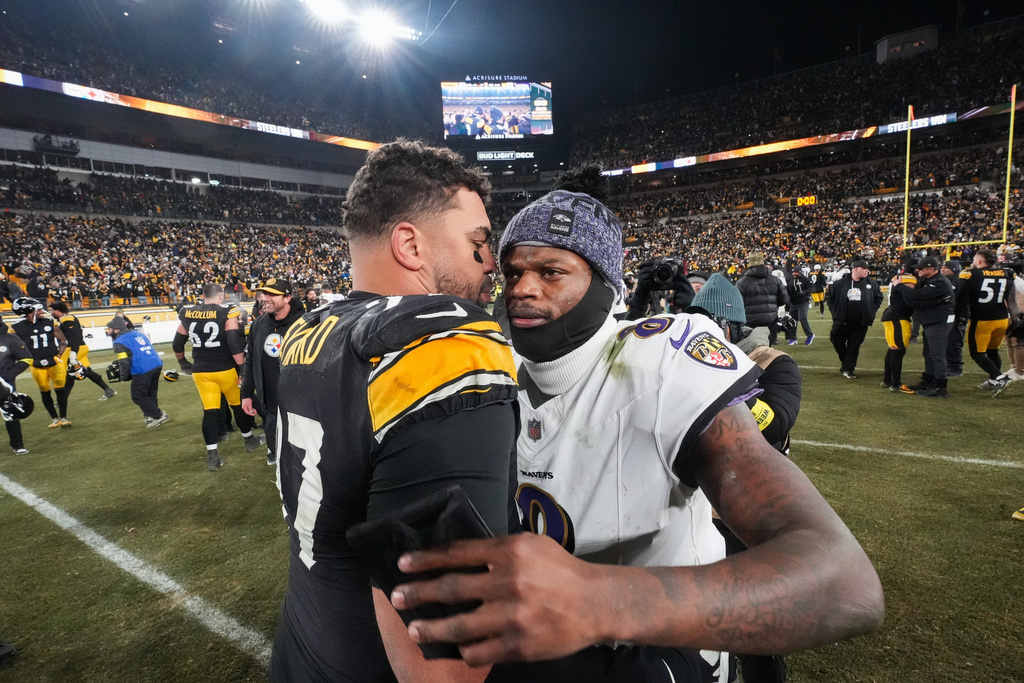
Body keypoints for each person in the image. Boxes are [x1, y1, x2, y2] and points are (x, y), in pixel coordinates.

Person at [387, 190, 883, 676]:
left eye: (551, 272)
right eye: (513, 272)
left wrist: (596, 599)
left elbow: (843, 581)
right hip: (548, 653)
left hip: (662, 651)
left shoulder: (660, 360)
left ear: (605, 284)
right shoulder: (493, 365)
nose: (522, 289)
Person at [268, 139, 520, 683]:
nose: (491, 263)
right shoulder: (443, 345)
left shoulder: (310, 330)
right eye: (478, 242)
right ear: (410, 244)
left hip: (304, 644)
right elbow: (446, 669)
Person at [688, 273, 803, 683]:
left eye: (708, 323)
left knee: (753, 621)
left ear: (730, 326)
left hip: (749, 508)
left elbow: (772, 423)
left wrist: (710, 386)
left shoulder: (774, 362)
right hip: (693, 504)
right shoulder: (682, 356)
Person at [174, 284, 265, 472]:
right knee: (236, 404)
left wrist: (183, 362)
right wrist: (242, 368)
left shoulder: (188, 313)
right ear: (221, 296)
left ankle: (213, 456)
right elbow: (233, 343)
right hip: (224, 368)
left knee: (210, 411)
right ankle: (249, 439)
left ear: (202, 296)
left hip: (201, 370)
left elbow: (177, 342)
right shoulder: (227, 312)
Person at [240, 277, 304, 467]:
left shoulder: (307, 323)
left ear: (287, 298)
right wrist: (246, 394)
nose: (265, 298)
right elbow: (250, 360)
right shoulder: (259, 324)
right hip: (270, 403)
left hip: (301, 404)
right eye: (264, 294)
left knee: (302, 455)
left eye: (272, 294)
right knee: (277, 449)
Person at [959, 249, 1019, 397]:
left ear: (979, 261)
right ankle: (993, 381)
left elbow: (962, 300)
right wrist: (1015, 320)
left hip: (982, 320)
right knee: (992, 351)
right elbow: (1012, 301)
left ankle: (999, 378)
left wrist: (960, 318)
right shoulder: (1007, 274)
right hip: (1002, 319)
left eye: (974, 259)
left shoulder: (971, 275)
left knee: (977, 353)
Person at [10, 297, 71, 428]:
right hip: (36, 364)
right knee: (44, 390)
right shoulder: (15, 328)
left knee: (60, 389)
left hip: (54, 361)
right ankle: (54, 418)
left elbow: (63, 341)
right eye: (37, 309)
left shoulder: (50, 322)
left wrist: (59, 355)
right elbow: (13, 347)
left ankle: (63, 417)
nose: (41, 311)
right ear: (28, 312)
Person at [903, 256, 955, 398]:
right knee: (929, 353)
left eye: (921, 268)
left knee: (937, 355)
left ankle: (941, 388)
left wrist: (900, 285)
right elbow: (918, 301)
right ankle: (929, 381)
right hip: (932, 321)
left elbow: (917, 296)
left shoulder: (939, 282)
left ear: (931, 269)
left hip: (939, 322)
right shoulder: (930, 280)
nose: (917, 270)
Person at [825, 260, 882, 379]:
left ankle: (849, 368)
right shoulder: (840, 283)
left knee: (854, 345)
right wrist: (834, 310)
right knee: (835, 339)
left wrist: (872, 310)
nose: (867, 270)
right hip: (842, 320)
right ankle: (846, 363)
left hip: (861, 322)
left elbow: (878, 298)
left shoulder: (872, 284)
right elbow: (830, 297)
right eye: (864, 268)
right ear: (855, 269)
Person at [107, 317, 168, 427]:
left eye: (109, 328)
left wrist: (124, 376)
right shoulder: (137, 334)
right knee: (150, 393)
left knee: (137, 395)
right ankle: (150, 417)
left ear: (116, 329)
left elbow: (123, 361)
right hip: (156, 363)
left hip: (142, 368)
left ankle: (158, 415)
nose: (108, 331)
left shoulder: (119, 341)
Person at [49, 301, 117, 401]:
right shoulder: (60, 320)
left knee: (69, 373)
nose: (50, 313)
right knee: (87, 371)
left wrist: (73, 353)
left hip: (75, 348)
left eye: (52, 311)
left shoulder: (68, 319)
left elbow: (75, 337)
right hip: (75, 348)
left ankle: (62, 400)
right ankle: (108, 390)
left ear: (58, 311)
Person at [736, 252, 789, 345]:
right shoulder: (775, 280)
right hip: (770, 319)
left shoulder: (742, 282)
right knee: (768, 346)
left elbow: (737, 302)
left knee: (752, 346)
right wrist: (772, 305)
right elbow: (784, 299)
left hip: (750, 320)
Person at [882, 261, 919, 393]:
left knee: (893, 349)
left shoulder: (898, 277)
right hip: (897, 316)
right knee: (898, 350)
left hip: (893, 314)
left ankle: (887, 380)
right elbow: (910, 296)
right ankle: (895, 383)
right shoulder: (909, 279)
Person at [0, 314, 34, 454]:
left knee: (10, 413)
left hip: (5, 384)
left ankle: (18, 445)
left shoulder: (10, 339)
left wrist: (8, 375)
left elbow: (27, 358)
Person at [942, 260, 969, 379]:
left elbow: (961, 300)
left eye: (945, 267)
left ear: (953, 269)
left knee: (954, 341)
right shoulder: (950, 280)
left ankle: (956, 367)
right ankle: (950, 365)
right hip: (952, 315)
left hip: (958, 315)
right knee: (949, 341)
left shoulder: (959, 281)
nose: (942, 269)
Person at [785, 267, 814, 345]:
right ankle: (793, 338)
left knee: (802, 318)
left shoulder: (805, 280)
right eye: (793, 272)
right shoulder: (790, 280)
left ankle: (810, 335)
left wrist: (804, 292)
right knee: (793, 321)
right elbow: (788, 292)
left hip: (803, 302)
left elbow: (812, 288)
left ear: (800, 272)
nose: (794, 273)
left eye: (796, 272)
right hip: (793, 303)